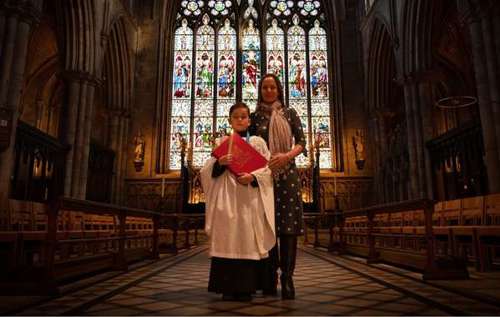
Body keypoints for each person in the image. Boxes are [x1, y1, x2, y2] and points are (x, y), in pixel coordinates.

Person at [200, 102, 276, 302]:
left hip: (248, 199)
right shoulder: (222, 141)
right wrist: (219, 163)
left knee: (247, 239)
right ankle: (226, 286)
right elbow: (205, 171)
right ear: (230, 120)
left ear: (249, 120)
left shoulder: (258, 142)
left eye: (244, 117)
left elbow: (267, 169)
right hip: (227, 198)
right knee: (228, 237)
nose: (240, 120)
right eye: (236, 117)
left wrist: (253, 177)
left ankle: (246, 288)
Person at [249, 73, 306, 300]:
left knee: (288, 229)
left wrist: (286, 156)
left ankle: (288, 278)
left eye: (273, 87)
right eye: (265, 87)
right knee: (269, 227)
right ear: (261, 91)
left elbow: (302, 142)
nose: (269, 91)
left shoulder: (290, 113)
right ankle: (269, 277)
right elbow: (250, 148)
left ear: (279, 90)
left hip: (287, 175)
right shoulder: (254, 117)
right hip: (265, 177)